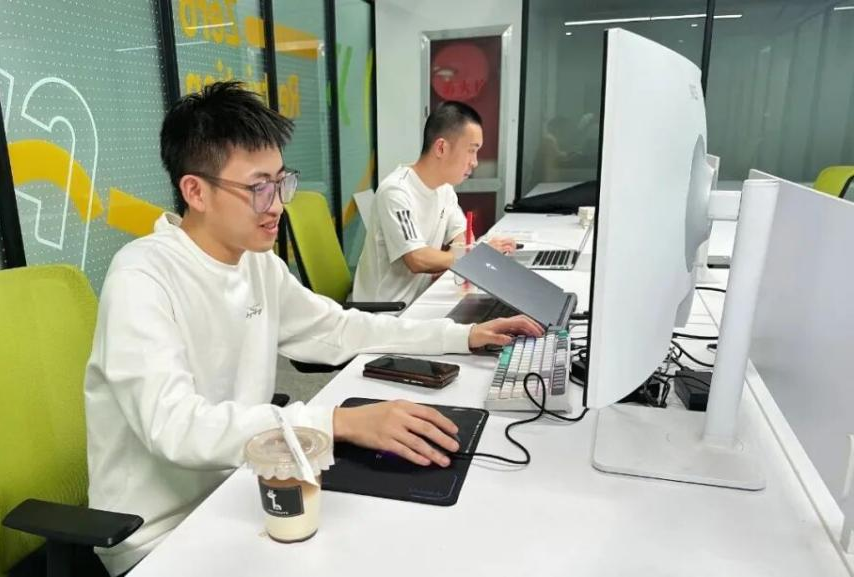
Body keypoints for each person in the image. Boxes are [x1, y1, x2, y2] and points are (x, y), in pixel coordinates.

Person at [84, 82, 543, 575]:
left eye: (282, 182)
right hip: (161, 535)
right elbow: (176, 428)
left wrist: (460, 336)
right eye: (258, 188)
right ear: (195, 191)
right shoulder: (142, 276)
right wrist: (336, 422)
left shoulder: (256, 263)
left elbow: (340, 329)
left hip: (248, 486)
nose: (276, 205)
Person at [352, 101, 517, 307]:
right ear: (441, 148)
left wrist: (467, 254)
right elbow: (417, 259)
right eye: (471, 151)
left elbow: (461, 236)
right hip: (388, 311)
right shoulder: (396, 191)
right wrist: (475, 256)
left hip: (420, 299)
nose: (474, 162)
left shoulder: (444, 189)